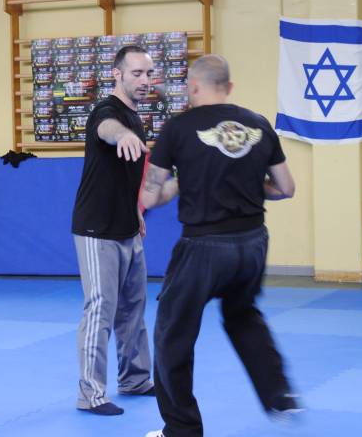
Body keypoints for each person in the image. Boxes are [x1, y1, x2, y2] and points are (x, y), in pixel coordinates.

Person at [140, 54, 299, 437]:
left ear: (193, 87)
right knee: (242, 314)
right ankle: (279, 395)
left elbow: (150, 196)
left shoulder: (178, 128)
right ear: (229, 87)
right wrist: (248, 185)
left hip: (204, 247)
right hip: (253, 243)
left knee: (172, 334)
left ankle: (182, 431)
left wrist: (182, 182)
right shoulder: (258, 124)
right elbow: (285, 188)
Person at [71, 45, 156, 416]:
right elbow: (107, 129)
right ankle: (90, 394)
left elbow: (126, 175)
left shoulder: (136, 117)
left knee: (133, 308)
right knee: (100, 310)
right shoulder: (106, 112)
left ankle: (135, 379)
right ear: (117, 74)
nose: (144, 80)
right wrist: (121, 135)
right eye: (136, 73)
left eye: (148, 73)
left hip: (127, 228)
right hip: (97, 229)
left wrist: (136, 212)